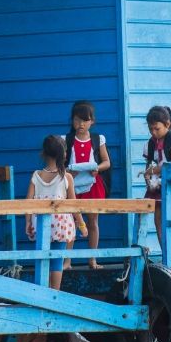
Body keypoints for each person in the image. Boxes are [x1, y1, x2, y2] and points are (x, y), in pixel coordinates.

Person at [25, 135, 88, 290]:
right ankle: (55, 292)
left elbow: (28, 202)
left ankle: (42, 291)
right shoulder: (66, 177)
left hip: (39, 223)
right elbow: (73, 205)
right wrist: (82, 225)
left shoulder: (36, 175)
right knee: (57, 260)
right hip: (61, 224)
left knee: (42, 259)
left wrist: (27, 222)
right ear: (63, 154)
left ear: (44, 154)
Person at [64, 100, 111, 270]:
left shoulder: (98, 139)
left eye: (85, 120)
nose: (81, 124)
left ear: (92, 121)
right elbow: (60, 165)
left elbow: (107, 162)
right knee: (71, 222)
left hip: (93, 184)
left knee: (93, 221)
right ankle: (67, 261)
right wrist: (68, 172)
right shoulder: (67, 140)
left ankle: (92, 259)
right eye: (77, 120)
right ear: (72, 121)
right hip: (72, 186)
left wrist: (97, 168)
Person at [143, 105, 171, 265]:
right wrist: (148, 179)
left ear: (167, 124)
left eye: (157, 129)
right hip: (156, 185)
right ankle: (166, 255)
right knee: (158, 220)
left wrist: (152, 170)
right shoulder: (150, 144)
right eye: (150, 129)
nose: (154, 133)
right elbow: (147, 167)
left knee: (168, 218)